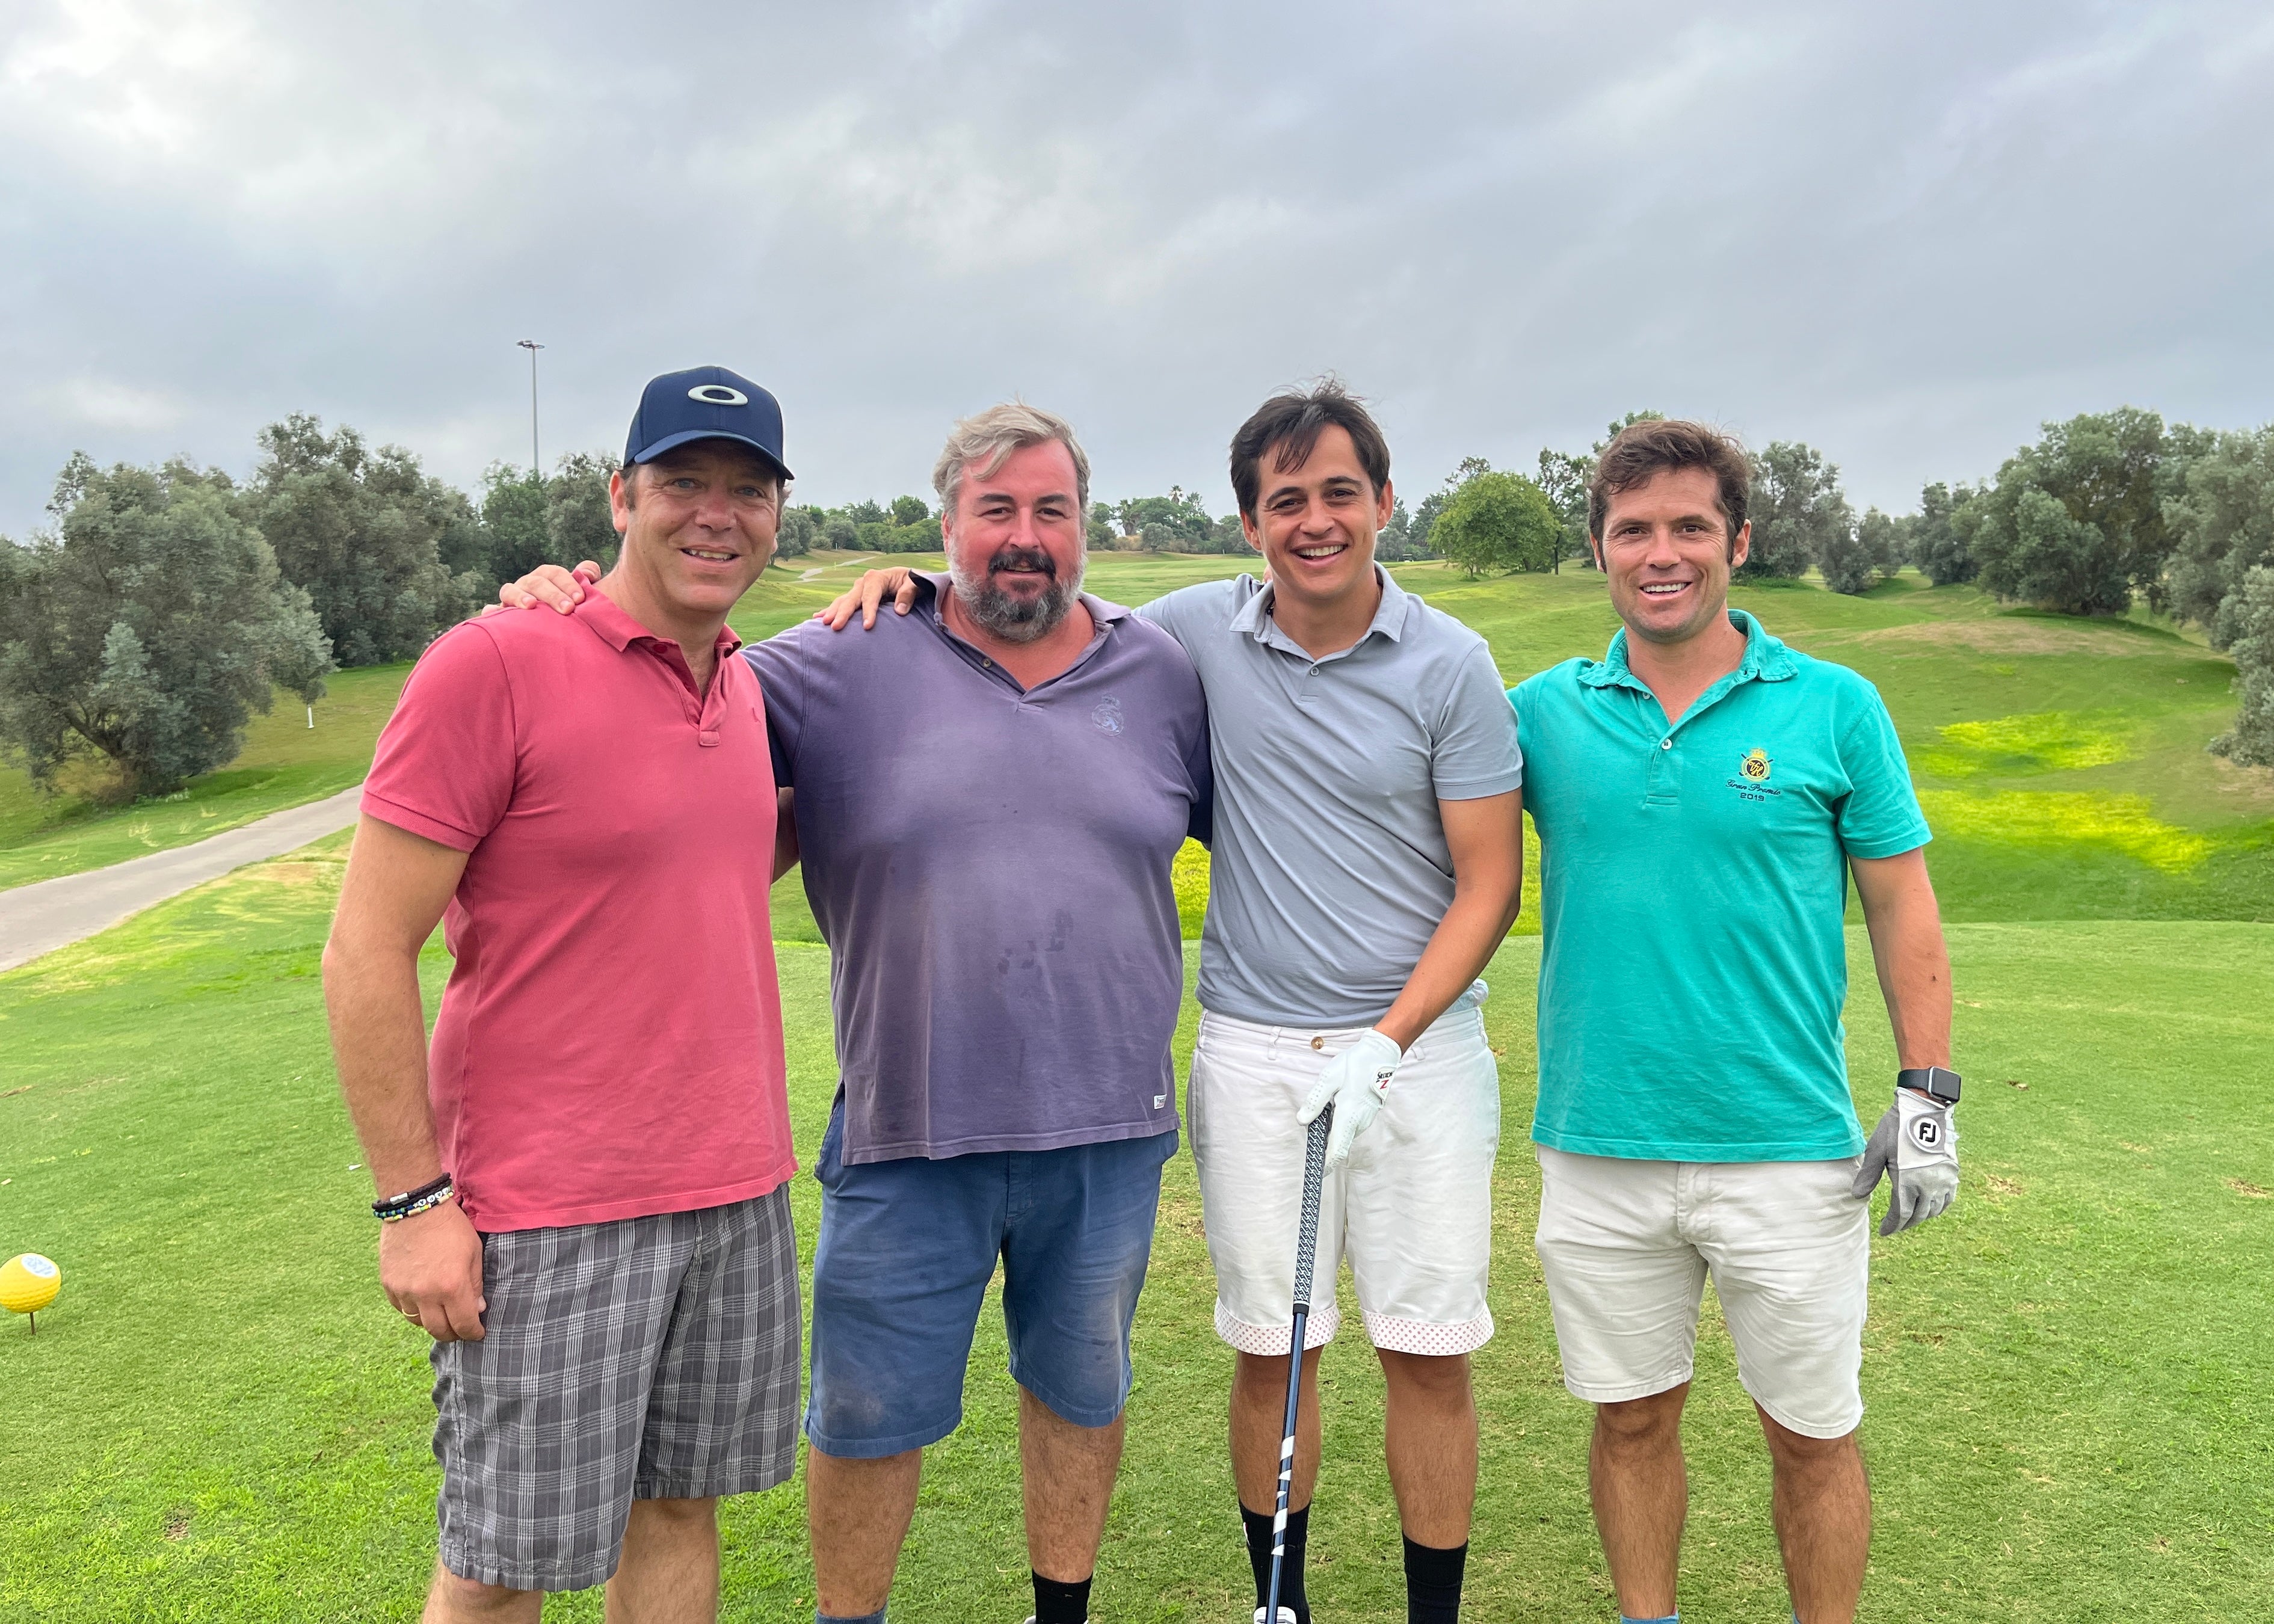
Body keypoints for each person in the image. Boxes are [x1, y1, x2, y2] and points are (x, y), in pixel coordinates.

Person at [494, 402, 1212, 1624]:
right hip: (905, 1127)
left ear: (1086, 525)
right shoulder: (840, 655)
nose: (1024, 536)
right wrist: (564, 609)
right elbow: (660, 679)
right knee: (869, 1418)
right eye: (995, 511)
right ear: (948, 528)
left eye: (1051, 509)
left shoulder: (1163, 674)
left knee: (1083, 1395)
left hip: (1110, 1131)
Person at [822, 381, 1524, 1624]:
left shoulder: (1445, 663)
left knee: (1426, 1346)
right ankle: (1283, 1604)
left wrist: (1389, 1039)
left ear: (1385, 503)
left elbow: (1490, 883)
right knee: (1275, 1346)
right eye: (1285, 500)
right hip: (1252, 1047)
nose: (1315, 521)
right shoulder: (1192, 634)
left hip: (1414, 1053)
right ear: (1251, 521)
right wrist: (914, 585)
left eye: (1339, 494)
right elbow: (1023, 606)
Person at [322, 366, 805, 1623]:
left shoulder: (746, 685)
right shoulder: (494, 662)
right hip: (548, 1208)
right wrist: (415, 1204)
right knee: (500, 1566)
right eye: (683, 484)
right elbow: (367, 949)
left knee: (681, 1511)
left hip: (735, 1185)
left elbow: (712, 863)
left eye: (746, 490)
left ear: (777, 515)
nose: (716, 514)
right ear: (621, 497)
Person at [1508, 419, 1961, 1624]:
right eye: (1634, 529)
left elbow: (1900, 900)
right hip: (1597, 1143)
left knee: (1813, 1434)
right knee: (1632, 1418)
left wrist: (1929, 1096)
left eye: (1690, 527)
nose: (1664, 552)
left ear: (1737, 541)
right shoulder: (1541, 713)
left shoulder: (1835, 705)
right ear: (1601, 548)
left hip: (1791, 1152)